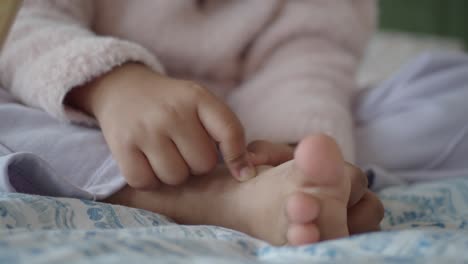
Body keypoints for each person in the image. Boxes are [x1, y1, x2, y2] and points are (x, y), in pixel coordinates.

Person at [0, 0, 383, 245]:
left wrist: (289, 150)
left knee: (426, 98)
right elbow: (23, 23)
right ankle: (218, 199)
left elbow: (308, 65)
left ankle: (283, 187)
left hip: (231, 142)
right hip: (80, 111)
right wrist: (112, 83)